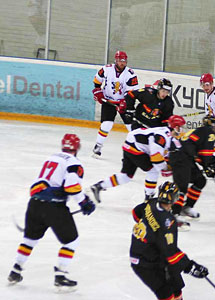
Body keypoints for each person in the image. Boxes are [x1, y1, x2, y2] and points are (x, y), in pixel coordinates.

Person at [7, 134, 96, 290]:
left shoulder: (51, 158)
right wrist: (84, 202)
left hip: (34, 204)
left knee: (29, 239)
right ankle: (60, 276)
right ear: (77, 148)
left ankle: (15, 270)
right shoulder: (74, 163)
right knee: (71, 241)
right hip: (54, 208)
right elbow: (72, 186)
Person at [130, 181, 209, 300]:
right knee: (166, 292)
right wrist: (190, 266)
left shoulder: (152, 202)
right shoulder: (168, 222)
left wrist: (151, 227)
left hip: (153, 252)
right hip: (144, 261)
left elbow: (135, 214)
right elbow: (170, 253)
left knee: (175, 283)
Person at [90, 115, 186, 202]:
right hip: (135, 147)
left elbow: (168, 151)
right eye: (181, 127)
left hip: (131, 144)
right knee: (153, 170)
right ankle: (148, 198)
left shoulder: (168, 134)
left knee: (126, 176)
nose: (182, 130)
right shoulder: (162, 137)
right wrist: (165, 168)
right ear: (176, 127)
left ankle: (99, 186)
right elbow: (156, 158)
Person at [168, 115, 215, 226]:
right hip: (180, 158)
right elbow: (205, 154)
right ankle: (174, 213)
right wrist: (208, 167)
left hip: (185, 158)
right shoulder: (209, 133)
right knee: (181, 187)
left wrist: (207, 166)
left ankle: (186, 207)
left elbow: (197, 153)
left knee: (200, 181)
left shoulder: (201, 131)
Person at [92, 50, 139, 157]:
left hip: (124, 103)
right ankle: (98, 146)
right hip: (108, 101)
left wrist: (125, 102)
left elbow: (132, 93)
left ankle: (139, 147)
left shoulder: (130, 74)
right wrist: (98, 91)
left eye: (124, 61)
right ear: (116, 60)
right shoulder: (106, 69)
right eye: (120, 61)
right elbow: (97, 82)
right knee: (106, 124)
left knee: (131, 127)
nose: (123, 63)